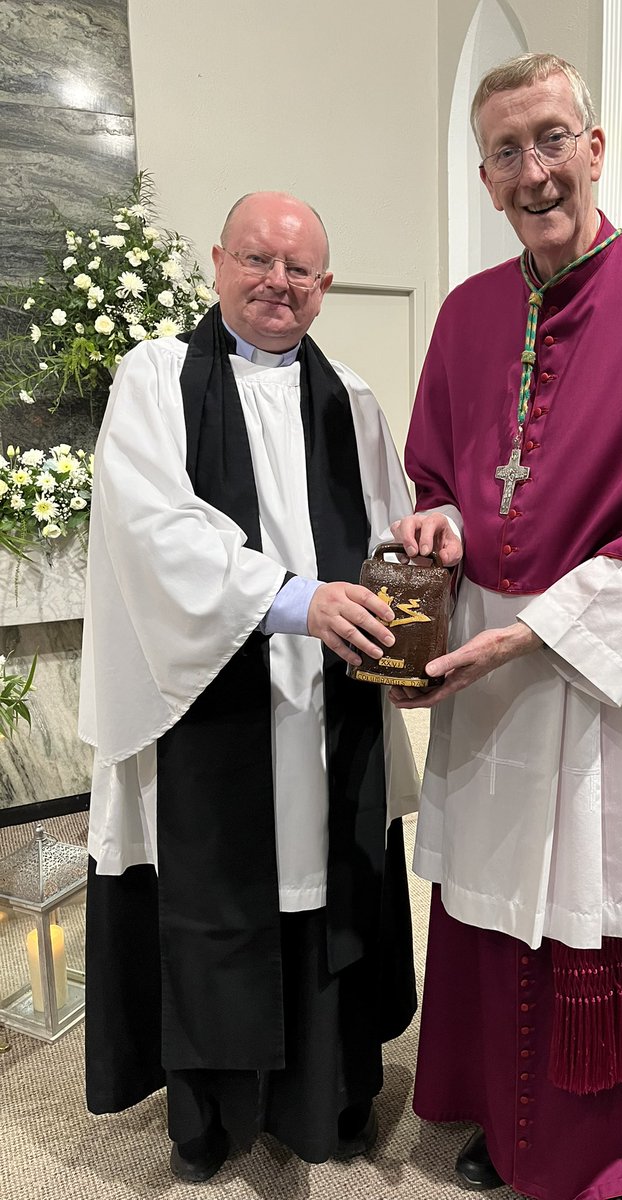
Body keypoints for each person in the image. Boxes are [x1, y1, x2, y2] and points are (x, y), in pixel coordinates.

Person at [390, 53, 622, 1200]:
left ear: (596, 147)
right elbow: (439, 478)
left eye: (552, 137)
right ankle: (505, 1130)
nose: (534, 169)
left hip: (612, 659)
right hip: (495, 664)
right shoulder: (465, 314)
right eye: (507, 151)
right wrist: (444, 529)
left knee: (599, 912)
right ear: (487, 176)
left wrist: (544, 630)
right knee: (500, 900)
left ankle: (606, 1148)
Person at [79, 191, 419, 1182]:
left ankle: (324, 1100)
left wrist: (413, 612)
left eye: (301, 268)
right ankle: (215, 1114)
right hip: (210, 702)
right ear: (218, 261)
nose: (279, 283)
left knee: (323, 892)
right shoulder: (157, 377)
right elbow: (151, 530)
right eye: (258, 261)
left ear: (325, 283)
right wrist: (286, 598)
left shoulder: (350, 396)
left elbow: (392, 532)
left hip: (327, 710)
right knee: (216, 903)